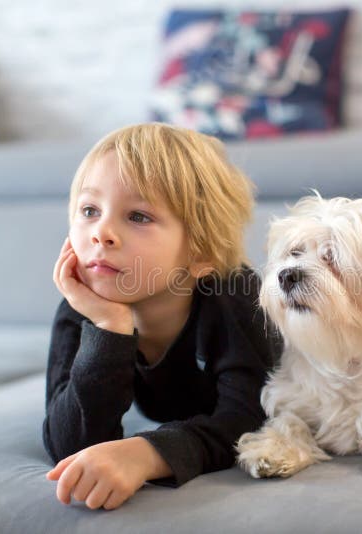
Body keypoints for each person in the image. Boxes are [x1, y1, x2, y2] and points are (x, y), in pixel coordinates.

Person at [43, 123, 281, 510]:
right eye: (89, 210)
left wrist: (148, 453)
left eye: (137, 216)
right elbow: (70, 447)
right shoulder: (81, 308)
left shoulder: (235, 297)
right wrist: (109, 330)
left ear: (200, 253)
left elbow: (251, 422)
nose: (101, 232)